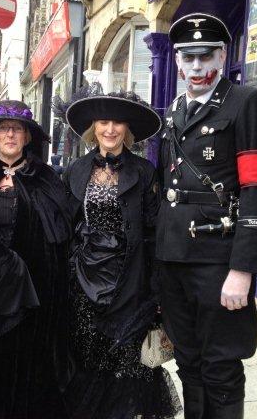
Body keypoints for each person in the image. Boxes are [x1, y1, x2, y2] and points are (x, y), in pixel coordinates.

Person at [156, 13, 257, 418]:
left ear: (223, 55)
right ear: (176, 60)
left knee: (221, 367)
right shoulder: (175, 109)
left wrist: (243, 270)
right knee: (188, 363)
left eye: (205, 56)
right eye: (187, 57)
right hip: (174, 262)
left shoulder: (248, 104)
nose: (196, 67)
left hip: (218, 263)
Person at [63, 92, 181, 419]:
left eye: (117, 122)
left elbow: (156, 233)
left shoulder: (144, 172)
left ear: (126, 128)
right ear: (93, 128)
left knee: (127, 370)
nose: (110, 129)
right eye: (103, 122)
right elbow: (67, 228)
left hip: (130, 287)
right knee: (88, 365)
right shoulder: (75, 171)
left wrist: (156, 293)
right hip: (83, 289)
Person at [0, 100, 73, 418]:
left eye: (17, 129)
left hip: (35, 298)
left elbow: (61, 234)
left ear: (27, 137)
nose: (10, 134)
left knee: (31, 379)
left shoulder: (47, 179)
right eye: (3, 129)